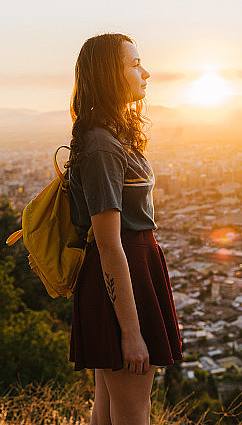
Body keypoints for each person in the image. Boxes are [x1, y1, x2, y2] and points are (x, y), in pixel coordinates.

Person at [67, 33, 183, 425]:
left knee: (106, 411)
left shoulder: (109, 137)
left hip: (130, 275)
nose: (145, 73)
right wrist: (130, 332)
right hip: (124, 277)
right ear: (108, 74)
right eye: (134, 64)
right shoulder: (102, 146)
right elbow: (108, 244)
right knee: (133, 414)